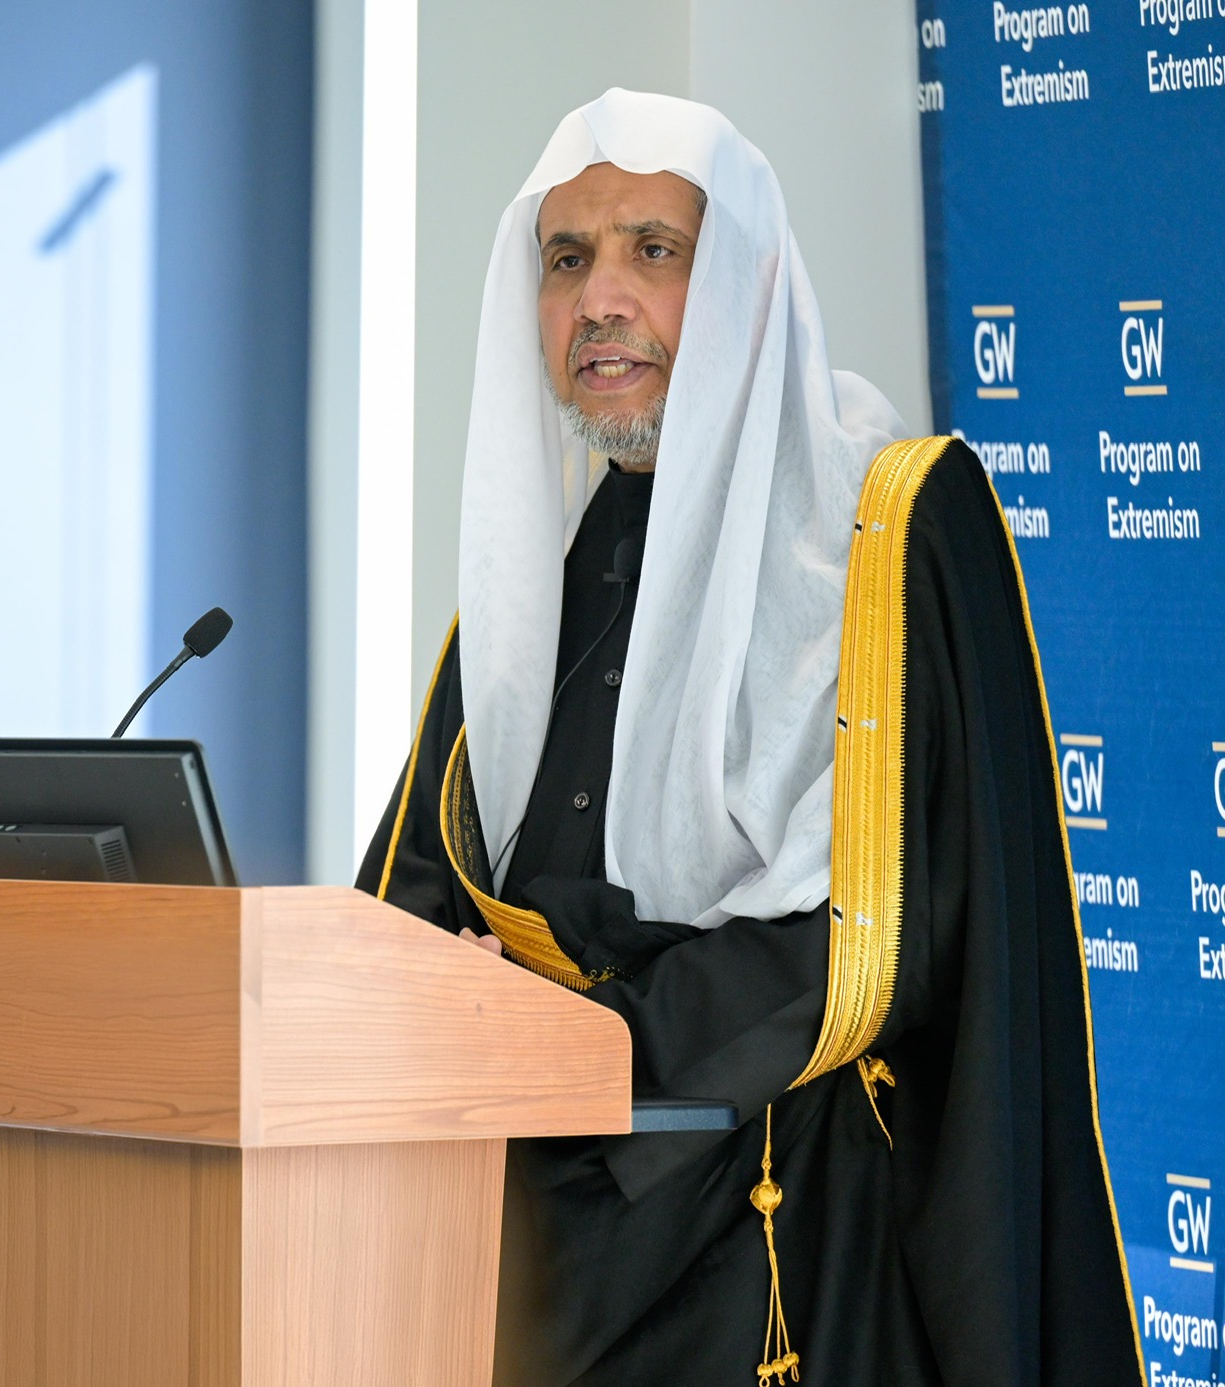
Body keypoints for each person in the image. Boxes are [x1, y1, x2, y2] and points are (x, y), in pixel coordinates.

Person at [356, 89, 1141, 1386]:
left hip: (774, 1251)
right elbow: (424, 883)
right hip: (523, 1241)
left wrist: (578, 1042)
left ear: (751, 283)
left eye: (654, 250)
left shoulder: (890, 531)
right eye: (567, 259)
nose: (600, 300)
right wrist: (420, 992)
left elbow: (885, 928)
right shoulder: (536, 588)